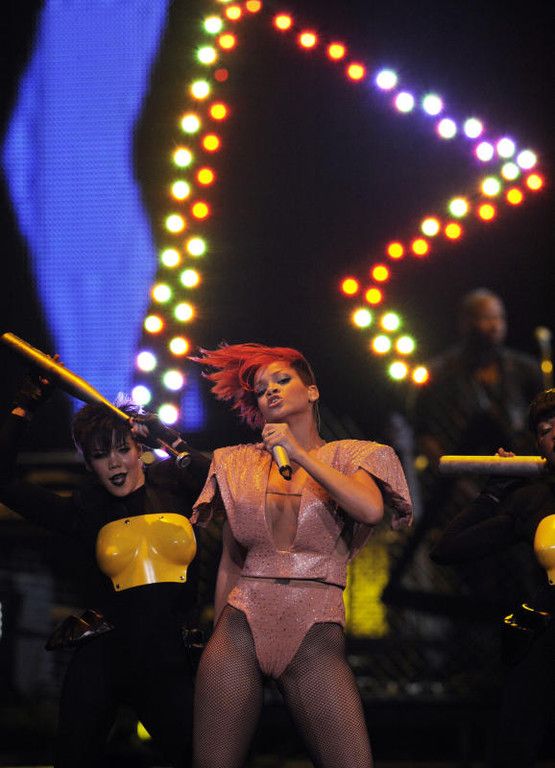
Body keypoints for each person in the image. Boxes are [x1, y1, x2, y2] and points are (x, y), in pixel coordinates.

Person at [189, 343, 412, 768]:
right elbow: (231, 560)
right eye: (261, 390)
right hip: (240, 626)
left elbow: (369, 510)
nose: (270, 391)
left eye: (282, 380)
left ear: (312, 391)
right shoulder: (236, 463)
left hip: (314, 632)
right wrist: (217, 634)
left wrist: (300, 455)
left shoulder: (353, 455)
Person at [0, 372, 210, 768]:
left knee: (199, 758)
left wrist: (168, 437)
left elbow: (225, 481)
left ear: (139, 448)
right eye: (99, 455)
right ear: (87, 463)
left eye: (122, 449)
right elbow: (3, 481)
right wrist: (25, 404)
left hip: (169, 658)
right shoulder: (84, 510)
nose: (114, 462)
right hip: (104, 656)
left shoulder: (179, 486)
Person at [431, 388, 555, 767]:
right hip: (549, 632)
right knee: (515, 744)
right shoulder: (534, 499)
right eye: (546, 430)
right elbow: (447, 549)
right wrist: (492, 494)